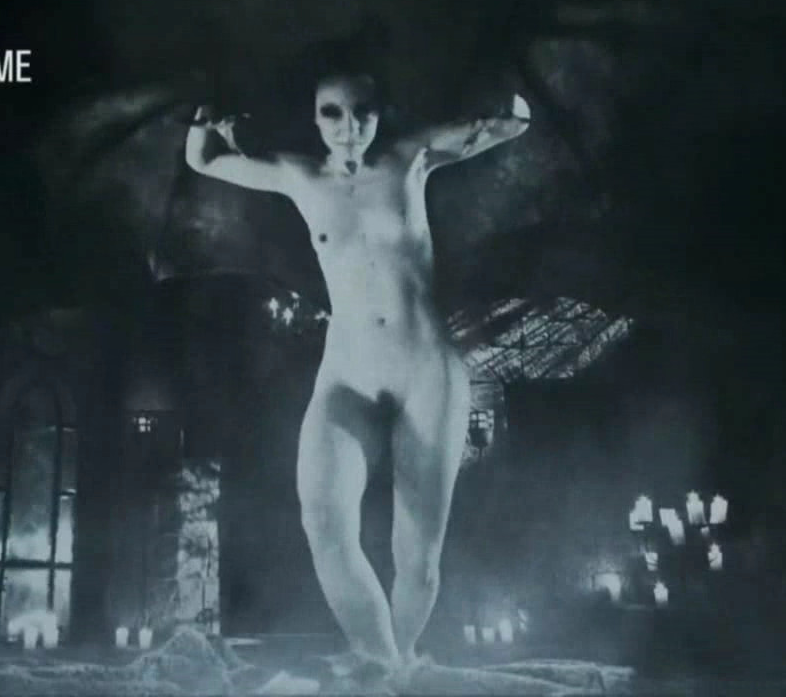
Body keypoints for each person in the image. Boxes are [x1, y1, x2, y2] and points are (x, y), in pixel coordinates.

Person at [185, 72, 531, 681]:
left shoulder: (410, 157)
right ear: (316, 117)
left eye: (362, 112)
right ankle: (386, 667)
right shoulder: (298, 174)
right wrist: (203, 120)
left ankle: (391, 671)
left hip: (425, 369)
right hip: (347, 371)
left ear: (379, 114)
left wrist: (505, 98)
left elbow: (514, 123)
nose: (349, 127)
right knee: (322, 522)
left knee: (417, 557)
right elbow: (204, 161)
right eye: (333, 113)